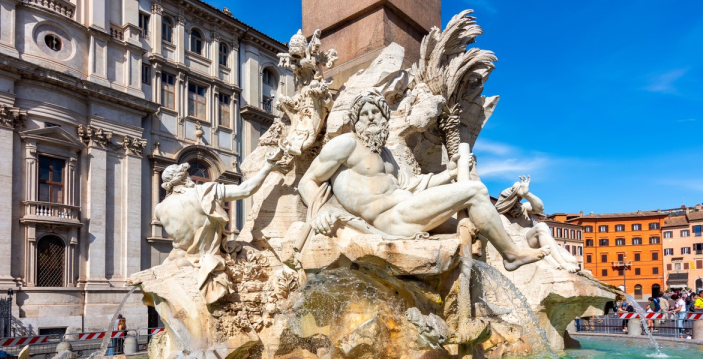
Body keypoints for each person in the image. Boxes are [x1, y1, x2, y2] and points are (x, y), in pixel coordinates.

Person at [298, 91, 549, 271]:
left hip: (407, 210)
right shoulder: (346, 144)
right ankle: (512, 256)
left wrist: (450, 173)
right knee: (475, 191)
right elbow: (307, 181)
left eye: (376, 112)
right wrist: (319, 212)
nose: (371, 117)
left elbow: (412, 185)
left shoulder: (386, 155)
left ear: (384, 118)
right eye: (364, 114)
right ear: (356, 121)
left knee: (477, 232)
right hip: (389, 220)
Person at [155, 149, 283, 301]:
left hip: (178, 260)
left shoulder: (159, 209)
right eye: (187, 174)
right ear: (184, 177)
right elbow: (246, 190)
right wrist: (268, 167)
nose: (190, 177)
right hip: (209, 257)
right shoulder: (204, 191)